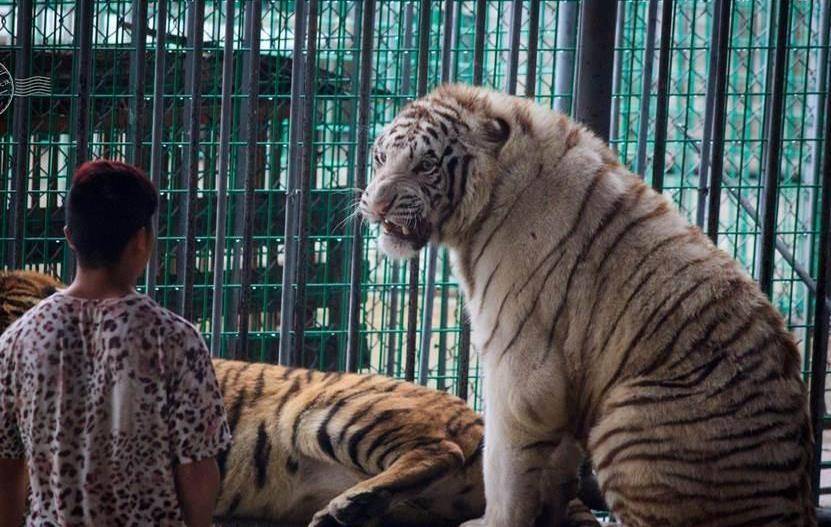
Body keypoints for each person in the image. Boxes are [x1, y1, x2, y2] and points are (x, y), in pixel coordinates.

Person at [0, 160, 231, 527]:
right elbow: (198, 470)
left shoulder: (16, 342)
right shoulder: (174, 339)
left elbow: (7, 472)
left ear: (70, 236)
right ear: (142, 240)